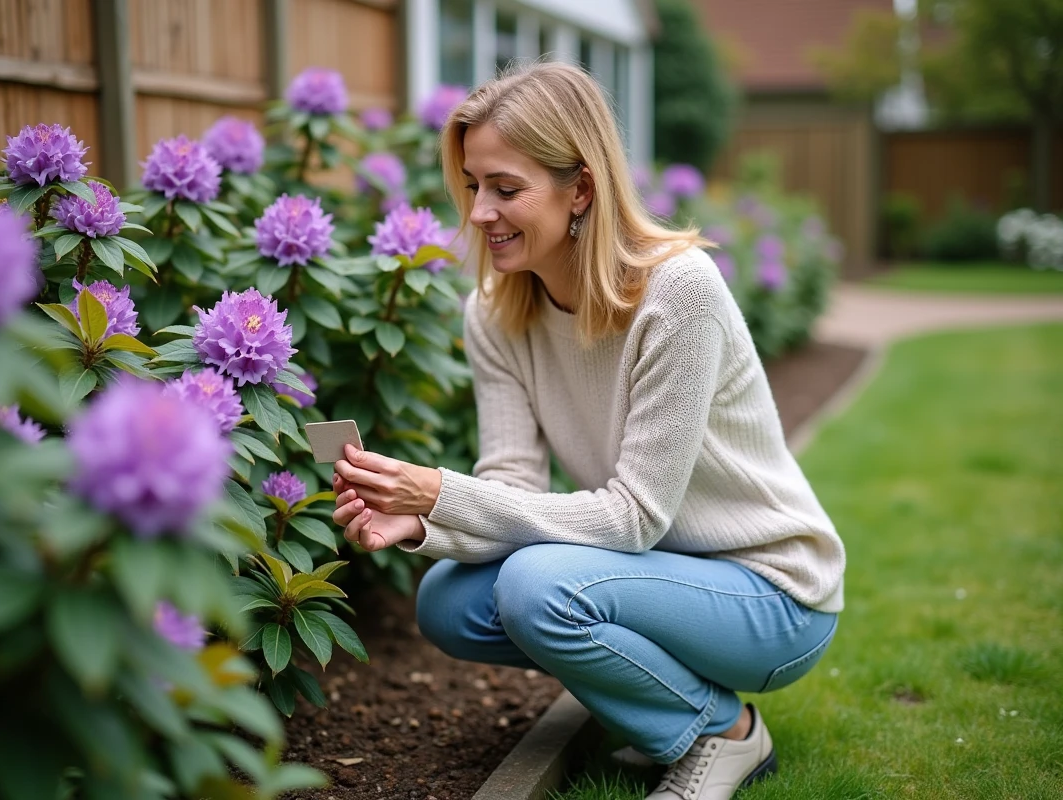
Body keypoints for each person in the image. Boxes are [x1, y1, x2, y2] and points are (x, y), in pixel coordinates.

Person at [329, 61, 844, 800]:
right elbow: (511, 488)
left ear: (582, 189)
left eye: (507, 189)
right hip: (653, 577)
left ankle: (725, 734)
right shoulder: (497, 312)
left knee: (538, 587)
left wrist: (440, 492)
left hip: (772, 598)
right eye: (474, 186)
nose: (479, 212)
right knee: (447, 600)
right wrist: (417, 520)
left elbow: (635, 517)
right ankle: (665, 711)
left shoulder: (678, 292)